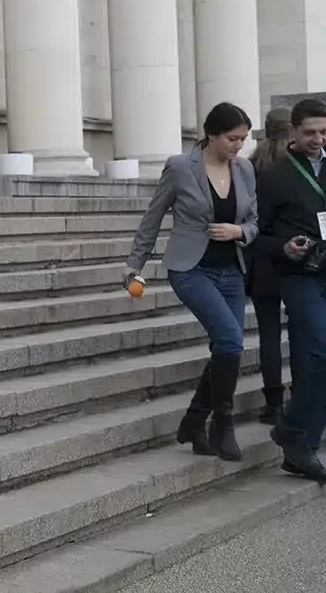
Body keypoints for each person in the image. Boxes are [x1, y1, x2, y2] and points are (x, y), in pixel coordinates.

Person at [128, 103, 256, 462]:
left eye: (243, 139)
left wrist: (239, 231)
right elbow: (153, 217)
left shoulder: (245, 169)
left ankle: (194, 421)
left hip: (231, 270)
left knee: (226, 346)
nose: (238, 145)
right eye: (232, 138)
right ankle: (222, 424)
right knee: (230, 340)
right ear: (211, 134)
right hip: (191, 269)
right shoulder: (181, 167)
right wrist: (135, 265)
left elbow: (255, 221)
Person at [254, 97, 326, 483]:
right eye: (310, 132)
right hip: (297, 275)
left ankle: (302, 445)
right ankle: (293, 431)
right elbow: (255, 234)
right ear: (294, 132)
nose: (318, 139)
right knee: (322, 348)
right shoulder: (274, 176)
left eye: (324, 132)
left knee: (318, 356)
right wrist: (283, 247)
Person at [249, 106, 299, 423]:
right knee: (299, 333)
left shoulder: (251, 164)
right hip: (296, 257)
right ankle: (299, 398)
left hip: (262, 256)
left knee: (268, 334)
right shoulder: (296, 165)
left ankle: (273, 404)